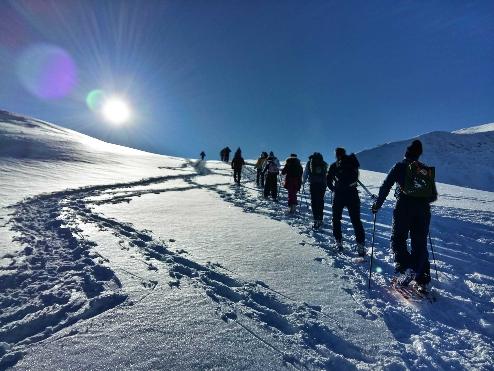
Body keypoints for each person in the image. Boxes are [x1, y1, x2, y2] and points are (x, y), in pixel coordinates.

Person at [371, 139, 438, 291]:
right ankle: (423, 279)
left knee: (398, 238)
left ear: (406, 153)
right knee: (420, 243)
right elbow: (433, 196)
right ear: (419, 155)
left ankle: (406, 268)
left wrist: (377, 205)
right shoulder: (425, 170)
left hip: (403, 208)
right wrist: (420, 198)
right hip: (423, 211)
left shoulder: (399, 166)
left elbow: (385, 186)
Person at [327, 148, 366, 255]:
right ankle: (361, 245)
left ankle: (338, 242)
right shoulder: (352, 162)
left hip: (339, 194)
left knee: (336, 219)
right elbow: (356, 176)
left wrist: (333, 188)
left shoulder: (334, 165)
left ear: (336, 154)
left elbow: (328, 180)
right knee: (356, 220)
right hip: (352, 194)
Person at [303, 152, 328, 229]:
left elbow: (306, 173)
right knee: (320, 201)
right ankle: (320, 219)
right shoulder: (324, 163)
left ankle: (316, 220)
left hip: (313, 184)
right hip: (322, 184)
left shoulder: (310, 162)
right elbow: (326, 174)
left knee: (314, 201)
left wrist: (303, 181)